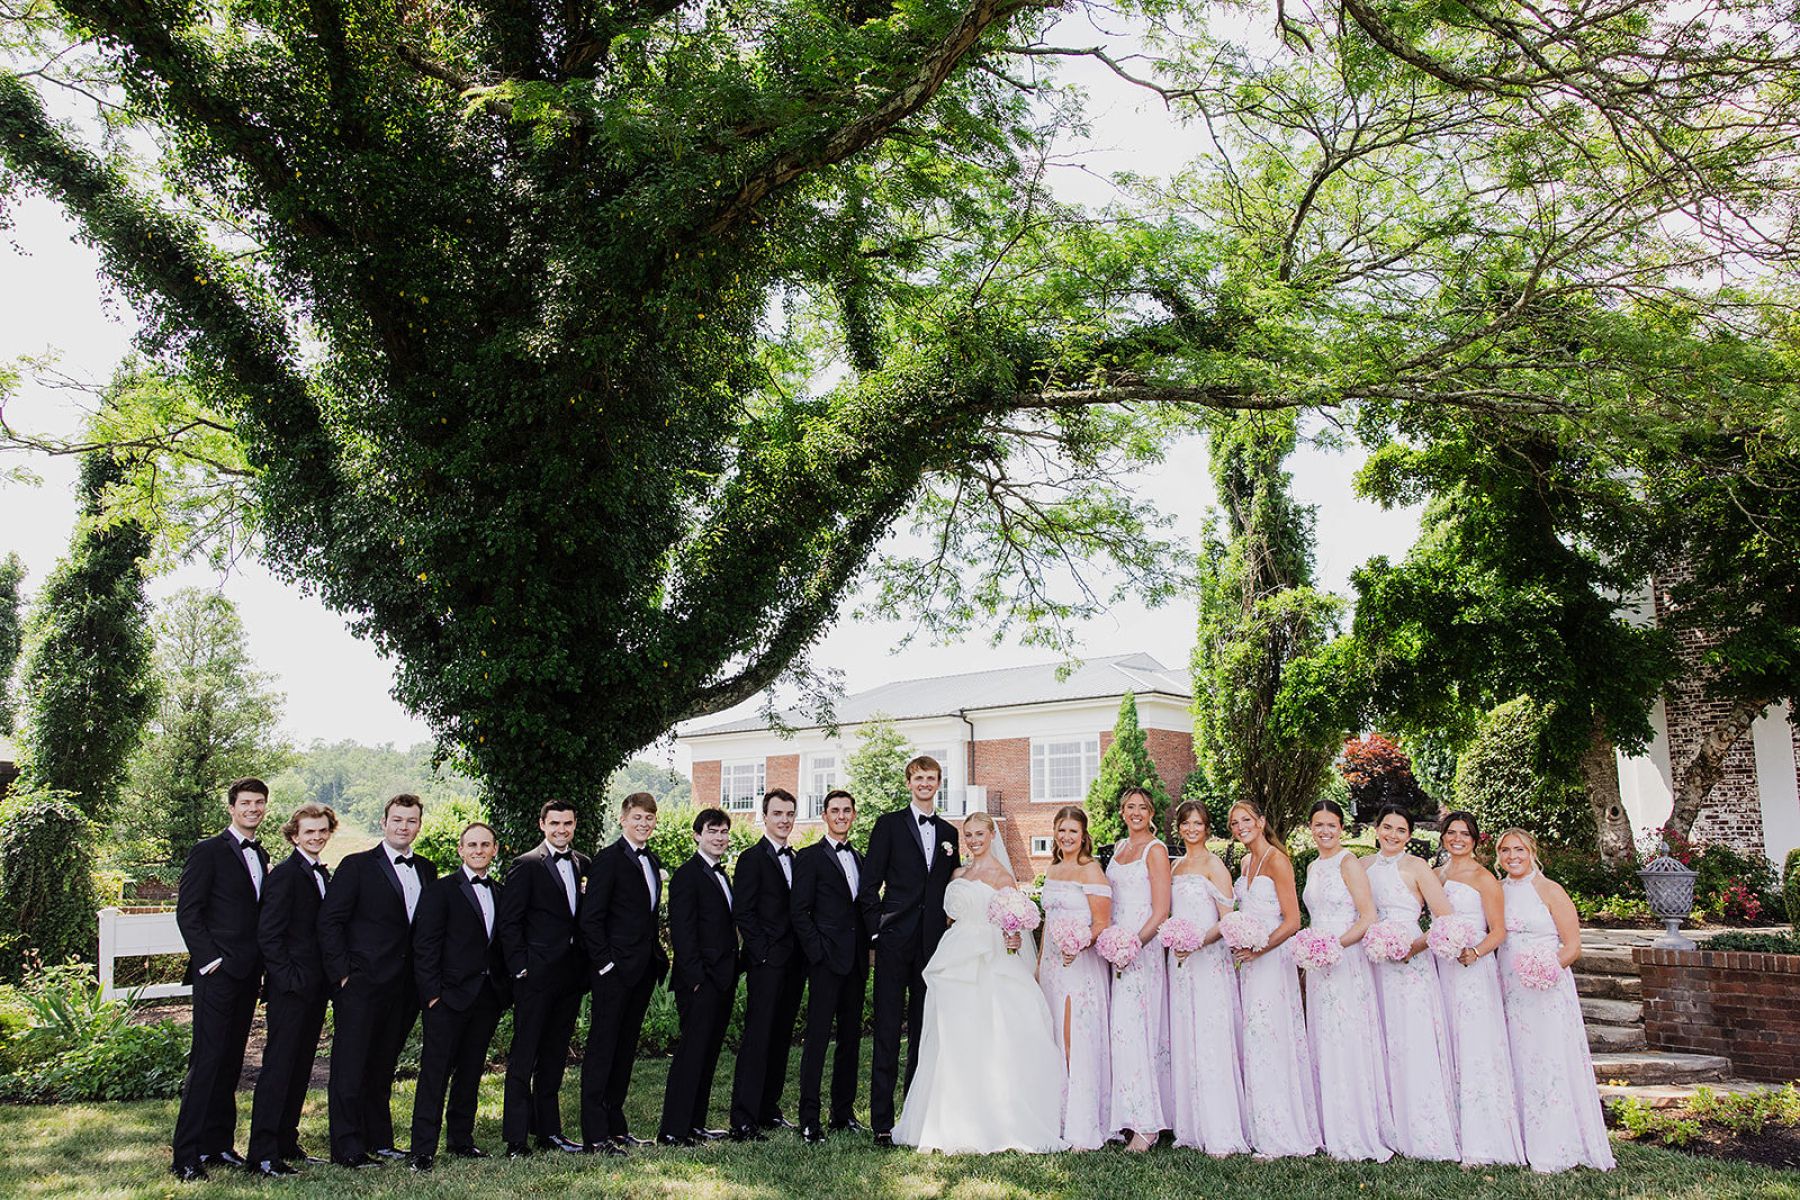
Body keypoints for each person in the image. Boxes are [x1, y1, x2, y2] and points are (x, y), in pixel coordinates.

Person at [891, 813, 1067, 1154]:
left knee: (988, 1034)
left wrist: (1014, 937)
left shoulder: (1003, 878)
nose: (973, 840)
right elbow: (949, 916)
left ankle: (996, 1117)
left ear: (991, 835)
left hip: (989, 958)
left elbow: (1013, 923)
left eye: (979, 834)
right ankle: (948, 1116)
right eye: (968, 834)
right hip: (955, 955)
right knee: (952, 1036)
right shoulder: (957, 873)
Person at [317, 793, 435, 1168]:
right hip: (361, 984)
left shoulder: (428, 870)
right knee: (350, 1067)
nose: (404, 826)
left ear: (419, 825)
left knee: (383, 1065)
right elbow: (329, 922)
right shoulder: (356, 866)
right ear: (383, 823)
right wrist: (343, 975)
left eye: (411, 820)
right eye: (397, 820)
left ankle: (379, 1139)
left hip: (404, 987)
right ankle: (347, 1147)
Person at [1496, 828, 1615, 1172]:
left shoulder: (1550, 890)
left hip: (1546, 987)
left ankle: (1557, 1141)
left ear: (1532, 851)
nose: (1512, 857)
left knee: (1547, 1059)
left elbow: (1572, 946)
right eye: (1505, 850)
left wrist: (1546, 970)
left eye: (1519, 849)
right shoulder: (1498, 890)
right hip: (1509, 986)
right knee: (1516, 1057)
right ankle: (1520, 1138)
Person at [171, 778, 272, 1181]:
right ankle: (186, 1155)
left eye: (259, 803)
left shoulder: (261, 852)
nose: (253, 809)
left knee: (231, 1061)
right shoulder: (207, 851)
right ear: (231, 808)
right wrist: (210, 961)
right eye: (246, 802)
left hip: (248, 974)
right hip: (217, 973)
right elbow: (188, 913)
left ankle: (218, 1145)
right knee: (207, 1060)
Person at [859, 755, 959, 1145]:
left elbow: (952, 890)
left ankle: (914, 1115)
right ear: (908, 782)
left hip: (932, 947)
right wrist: (876, 934)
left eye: (931, 778)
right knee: (886, 1029)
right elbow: (869, 887)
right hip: (893, 942)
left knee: (923, 1031)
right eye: (918, 778)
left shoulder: (950, 832)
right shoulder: (888, 825)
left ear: (939, 783)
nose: (925, 784)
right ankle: (882, 1121)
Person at [408, 822, 510, 1172]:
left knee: (470, 1071)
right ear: (460, 850)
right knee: (434, 1073)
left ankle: (461, 1139)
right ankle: (422, 1149)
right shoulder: (440, 891)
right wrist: (432, 995)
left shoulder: (500, 890)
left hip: (486, 998)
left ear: (495, 849)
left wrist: (502, 992)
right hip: (447, 998)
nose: (479, 850)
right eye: (472, 845)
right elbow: (425, 947)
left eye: (485, 844)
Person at [1364, 803, 1460, 1161]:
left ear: (1409, 835)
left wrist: (1411, 948)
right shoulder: (1362, 866)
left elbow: (1445, 920)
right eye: (1387, 827)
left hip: (1409, 964)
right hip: (1372, 961)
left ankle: (1422, 1128)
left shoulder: (1418, 867)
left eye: (1400, 830)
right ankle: (1382, 1123)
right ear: (1376, 829)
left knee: (1410, 1038)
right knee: (1380, 1039)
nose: (1392, 835)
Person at [247, 802, 338, 1177]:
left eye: (321, 831)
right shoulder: (285, 875)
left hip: (315, 989)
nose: (315, 837)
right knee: (279, 1067)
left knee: (301, 1067)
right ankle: (262, 1154)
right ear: (294, 835)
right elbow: (269, 935)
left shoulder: (320, 874)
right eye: (308, 832)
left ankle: (286, 1140)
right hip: (291, 989)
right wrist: (289, 980)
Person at [1300, 799, 1393, 1163]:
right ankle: (1325, 1125)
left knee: (1345, 1037)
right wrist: (1312, 948)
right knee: (1323, 1037)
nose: (1324, 831)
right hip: (1319, 961)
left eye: (1331, 825)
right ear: (1311, 827)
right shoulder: (1311, 864)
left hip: (1344, 958)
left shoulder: (1348, 862)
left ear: (1342, 828)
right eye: (1318, 824)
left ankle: (1353, 1128)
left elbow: (1368, 916)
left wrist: (1333, 945)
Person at [1228, 799, 1322, 1158]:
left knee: (1271, 1035)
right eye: (1235, 823)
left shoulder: (1278, 861)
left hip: (1271, 960)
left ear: (1262, 821)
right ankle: (1260, 1125)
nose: (1241, 827)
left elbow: (1293, 920)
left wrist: (1259, 949)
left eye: (1246, 820)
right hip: (1249, 962)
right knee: (1255, 1037)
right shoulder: (1245, 862)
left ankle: (1282, 1133)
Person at [495, 800, 589, 1157]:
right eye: (555, 823)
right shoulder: (526, 865)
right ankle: (516, 1139)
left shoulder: (583, 863)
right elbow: (509, 922)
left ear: (574, 824)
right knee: (524, 1056)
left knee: (554, 1056)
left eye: (567, 823)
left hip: (569, 976)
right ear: (542, 824)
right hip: (534, 977)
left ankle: (548, 1132)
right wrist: (520, 967)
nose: (561, 830)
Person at [578, 791, 669, 1154]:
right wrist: (606, 965)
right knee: (602, 1050)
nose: (643, 824)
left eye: (649, 818)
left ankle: (616, 1125)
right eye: (637, 818)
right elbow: (591, 919)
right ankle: (595, 1133)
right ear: (623, 819)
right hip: (613, 973)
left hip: (642, 971)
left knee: (625, 1049)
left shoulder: (653, 860)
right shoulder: (607, 859)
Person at [1435, 810, 1525, 1167]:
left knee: (1475, 1046)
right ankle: (1450, 1130)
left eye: (1465, 834)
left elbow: (1499, 930)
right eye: (1451, 832)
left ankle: (1485, 1139)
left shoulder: (1484, 877)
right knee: (1449, 1043)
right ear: (1443, 836)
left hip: (1472, 968)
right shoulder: (1437, 874)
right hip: (1441, 966)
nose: (1458, 839)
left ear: (1475, 840)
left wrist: (1474, 952)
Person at [1166, 800, 1250, 1157]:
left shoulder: (1215, 865)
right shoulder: (1176, 866)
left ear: (1207, 827)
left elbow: (1227, 918)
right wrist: (1176, 940)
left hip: (1208, 960)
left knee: (1210, 1035)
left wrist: (1197, 941)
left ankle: (1220, 1128)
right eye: (1185, 823)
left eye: (1197, 823)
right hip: (1181, 964)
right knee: (1186, 1035)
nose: (1191, 829)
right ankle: (1190, 1124)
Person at [790, 789, 870, 1143]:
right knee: (818, 1040)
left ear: (853, 815)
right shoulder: (808, 857)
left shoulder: (861, 857)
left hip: (855, 963)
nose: (841, 816)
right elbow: (799, 911)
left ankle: (843, 1113)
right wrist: (817, 952)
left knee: (850, 1041)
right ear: (824, 815)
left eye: (847, 810)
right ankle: (809, 1118)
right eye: (835, 810)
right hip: (825, 963)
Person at [659, 808, 742, 1146]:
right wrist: (696, 979)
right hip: (699, 982)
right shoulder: (686, 875)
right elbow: (683, 932)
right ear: (697, 835)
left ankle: (695, 1124)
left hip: (722, 979)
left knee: (707, 1055)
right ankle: (672, 1130)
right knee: (691, 1055)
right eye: (712, 832)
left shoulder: (723, 875)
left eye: (723, 832)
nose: (719, 838)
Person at [728, 787, 806, 1141]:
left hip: (794, 964)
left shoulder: (799, 858)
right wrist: (762, 954)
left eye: (789, 814)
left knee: (780, 1037)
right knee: (757, 1038)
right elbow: (743, 912)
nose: (785, 820)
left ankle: (769, 1110)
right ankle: (743, 1118)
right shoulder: (751, 858)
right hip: (766, 963)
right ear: (765, 816)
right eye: (778, 814)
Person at [1037, 806, 1113, 1150]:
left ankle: (1081, 1122)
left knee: (1074, 1041)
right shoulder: (1052, 869)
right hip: (1053, 965)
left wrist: (1080, 944)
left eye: (1073, 831)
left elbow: (1101, 923)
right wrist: (1039, 966)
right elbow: (1047, 924)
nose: (1066, 837)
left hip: (1079, 966)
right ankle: (1057, 1116)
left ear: (1084, 835)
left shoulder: (1091, 870)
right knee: (1053, 1039)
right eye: (1061, 830)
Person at [1104, 786, 1173, 1151]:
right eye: (1129, 807)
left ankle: (1147, 1125)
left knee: (1139, 1030)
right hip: (1115, 947)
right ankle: (1127, 1116)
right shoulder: (1118, 848)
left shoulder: (1155, 850)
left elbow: (1161, 910)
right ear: (1121, 811)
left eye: (1142, 808)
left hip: (1141, 949)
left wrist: (1133, 946)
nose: (1135, 812)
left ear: (1151, 813)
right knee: (1121, 1033)